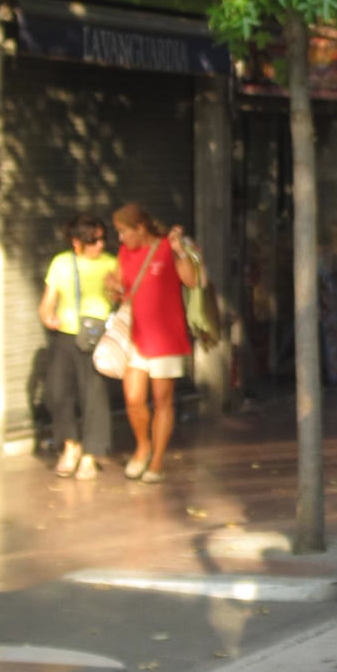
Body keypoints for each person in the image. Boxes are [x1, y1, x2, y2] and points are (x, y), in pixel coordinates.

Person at [110, 204, 198, 483]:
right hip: (134, 336)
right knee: (133, 399)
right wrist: (112, 287)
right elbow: (120, 287)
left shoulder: (167, 248)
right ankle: (143, 447)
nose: (121, 238)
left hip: (166, 337)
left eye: (123, 231)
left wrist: (180, 251)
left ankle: (157, 461)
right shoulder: (124, 252)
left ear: (140, 228)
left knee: (162, 400)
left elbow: (191, 280)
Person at [38, 213, 119, 479]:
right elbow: (48, 301)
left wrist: (115, 288)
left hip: (97, 337)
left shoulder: (111, 263)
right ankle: (70, 446)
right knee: (57, 392)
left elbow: (122, 298)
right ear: (76, 242)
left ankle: (91, 454)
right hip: (65, 336)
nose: (100, 245)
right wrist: (48, 315)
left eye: (102, 239)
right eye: (93, 241)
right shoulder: (61, 263)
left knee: (94, 396)